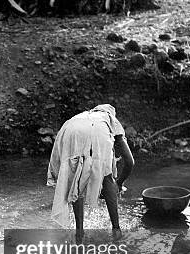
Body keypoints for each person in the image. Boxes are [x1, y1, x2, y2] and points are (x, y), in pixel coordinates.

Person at [47, 104, 134, 243]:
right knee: (107, 178)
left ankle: (79, 234)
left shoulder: (82, 116)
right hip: (95, 132)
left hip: (70, 130)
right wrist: (118, 183)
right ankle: (116, 231)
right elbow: (130, 162)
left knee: (76, 178)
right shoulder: (110, 119)